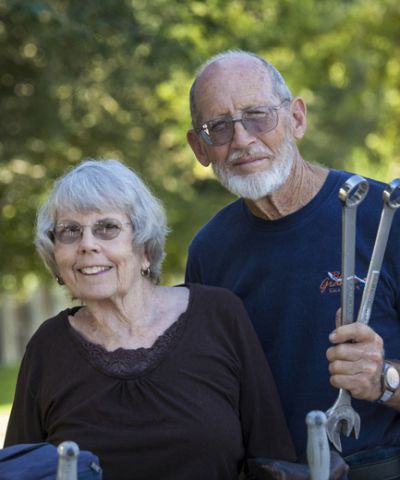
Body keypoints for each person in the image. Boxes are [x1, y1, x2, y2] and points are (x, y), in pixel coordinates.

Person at [4, 158, 297, 480]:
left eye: (107, 228)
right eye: (70, 231)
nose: (87, 244)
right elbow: (20, 471)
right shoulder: (48, 347)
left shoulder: (219, 316)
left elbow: (274, 461)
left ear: (144, 249)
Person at [185, 50, 400, 477]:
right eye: (219, 127)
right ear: (199, 147)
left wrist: (383, 381)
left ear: (296, 118)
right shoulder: (208, 253)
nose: (242, 139)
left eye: (258, 116)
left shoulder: (386, 219)